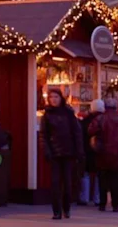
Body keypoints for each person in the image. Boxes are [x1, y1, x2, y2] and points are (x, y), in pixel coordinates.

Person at [41, 88, 84, 220]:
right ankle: (56, 211)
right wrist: (47, 150)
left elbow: (77, 133)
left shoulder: (68, 114)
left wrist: (79, 151)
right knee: (55, 183)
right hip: (54, 152)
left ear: (61, 98)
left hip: (68, 151)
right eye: (51, 97)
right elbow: (44, 135)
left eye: (56, 97)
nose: (53, 99)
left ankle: (67, 208)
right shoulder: (47, 115)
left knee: (67, 182)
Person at [90, 98, 118, 212]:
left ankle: (102, 204)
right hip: (116, 152)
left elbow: (91, 130)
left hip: (103, 152)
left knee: (102, 180)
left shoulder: (100, 118)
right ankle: (115, 205)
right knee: (115, 180)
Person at [79, 99, 104, 205]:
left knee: (86, 174)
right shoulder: (105, 119)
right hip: (101, 151)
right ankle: (97, 198)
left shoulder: (85, 120)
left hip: (87, 149)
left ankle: (84, 197)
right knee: (99, 175)